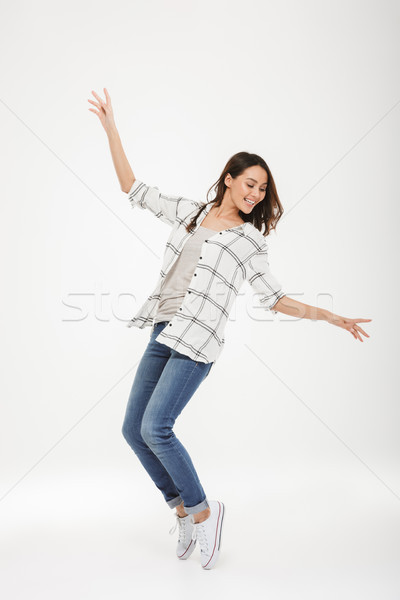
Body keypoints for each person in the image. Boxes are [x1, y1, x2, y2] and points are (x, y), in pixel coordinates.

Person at [88, 88, 372, 570]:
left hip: (197, 343)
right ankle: (179, 508)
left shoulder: (248, 241)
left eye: (262, 189)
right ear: (229, 178)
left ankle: (204, 511)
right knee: (132, 431)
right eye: (251, 184)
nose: (256, 194)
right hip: (162, 330)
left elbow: (275, 298)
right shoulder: (192, 213)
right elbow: (132, 187)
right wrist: (110, 126)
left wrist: (331, 316)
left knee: (157, 427)